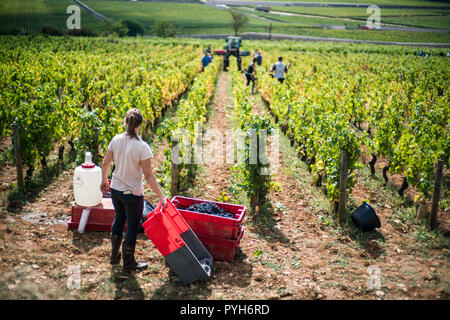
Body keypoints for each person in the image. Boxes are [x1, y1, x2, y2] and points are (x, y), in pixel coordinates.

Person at [101, 108, 167, 272]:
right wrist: (161, 197)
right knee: (131, 226)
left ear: (126, 122)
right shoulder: (142, 147)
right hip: (133, 195)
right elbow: (149, 176)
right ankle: (129, 262)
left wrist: (103, 180)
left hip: (115, 190)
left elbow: (105, 163)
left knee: (118, 219)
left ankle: (114, 256)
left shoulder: (116, 140)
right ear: (141, 125)